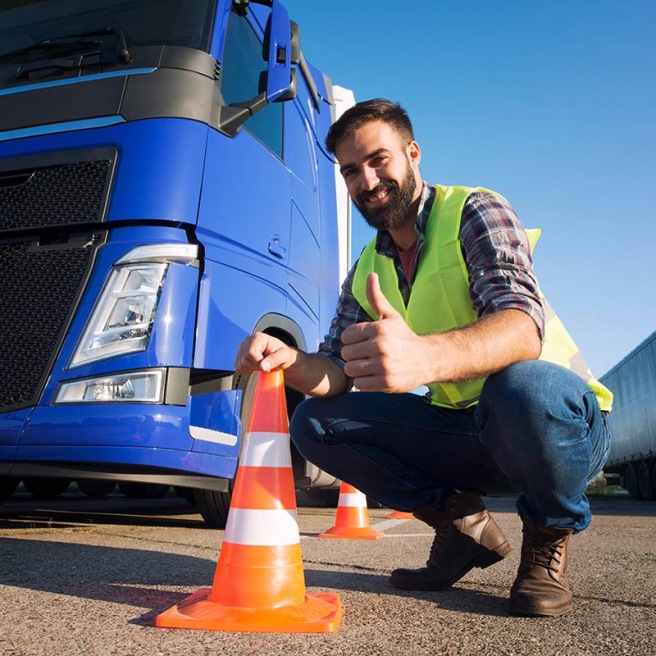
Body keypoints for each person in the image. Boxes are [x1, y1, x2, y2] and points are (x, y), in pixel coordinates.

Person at [234, 98, 612, 617]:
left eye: (378, 160)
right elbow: (335, 370)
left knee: (524, 387)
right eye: (350, 171)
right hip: (468, 431)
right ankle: (461, 530)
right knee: (315, 422)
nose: (366, 181)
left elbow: (523, 325)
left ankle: (548, 535)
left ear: (412, 153)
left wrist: (424, 360)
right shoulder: (368, 265)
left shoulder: (475, 210)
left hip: (554, 428)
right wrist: (290, 360)